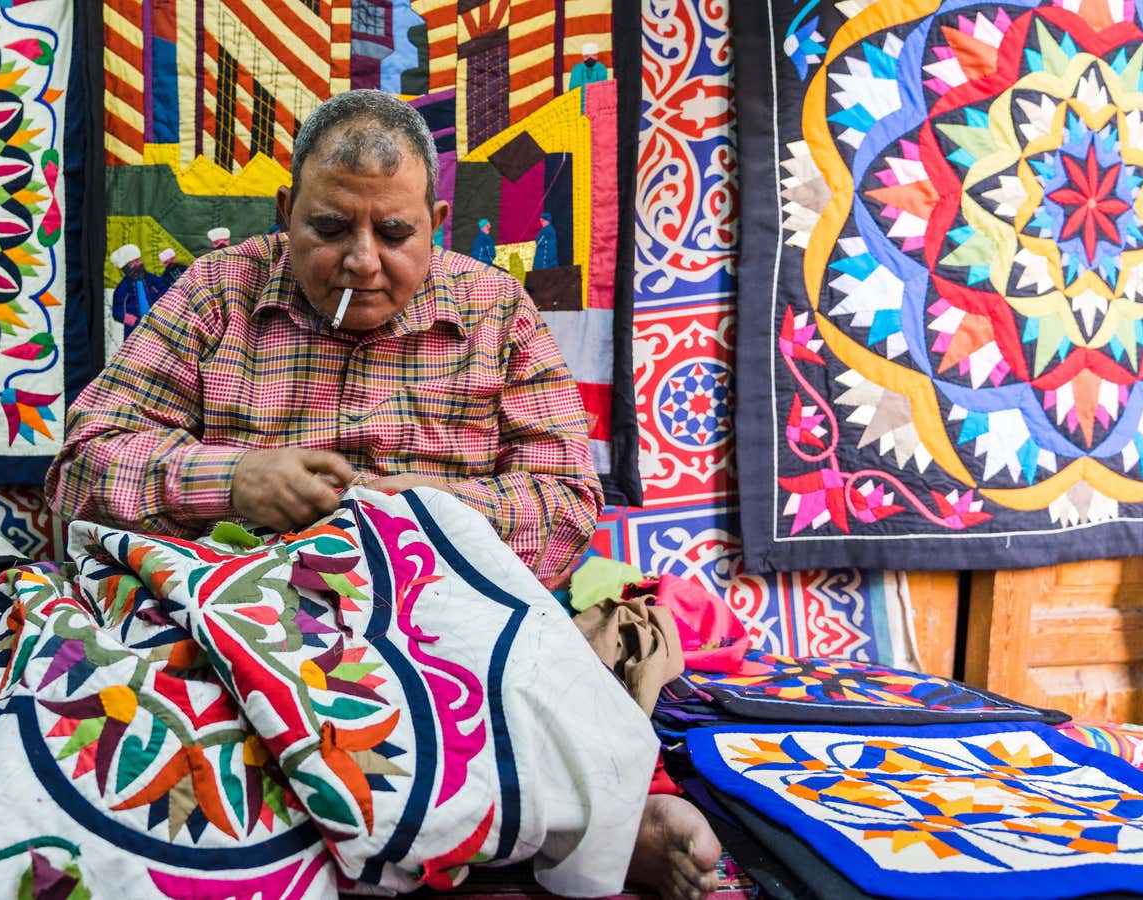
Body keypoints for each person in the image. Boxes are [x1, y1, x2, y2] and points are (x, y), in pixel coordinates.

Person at [47, 90, 721, 899]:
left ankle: (609, 822)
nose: (363, 260)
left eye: (395, 233)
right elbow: (82, 468)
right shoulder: (215, 294)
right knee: (124, 691)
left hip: (445, 623)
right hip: (250, 617)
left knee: (560, 649)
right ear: (284, 208)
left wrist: (422, 516)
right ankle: (539, 826)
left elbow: (568, 503)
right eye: (330, 229)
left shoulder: (496, 310)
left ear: (437, 219)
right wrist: (235, 480)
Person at [109, 244, 167, 337]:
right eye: (132, 263)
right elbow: (117, 312)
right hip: (136, 332)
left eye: (138, 260)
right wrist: (131, 320)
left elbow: (167, 295)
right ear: (125, 267)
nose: (137, 264)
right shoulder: (122, 287)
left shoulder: (153, 280)